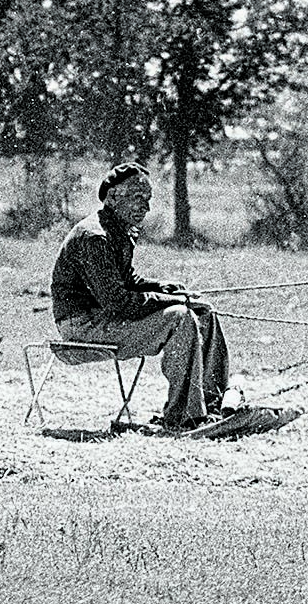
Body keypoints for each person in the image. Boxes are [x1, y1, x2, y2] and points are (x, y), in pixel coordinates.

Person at [49, 163, 232, 431]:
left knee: (204, 313)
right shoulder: (94, 237)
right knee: (180, 318)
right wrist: (176, 302)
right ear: (112, 198)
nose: (145, 208)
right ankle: (184, 417)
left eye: (147, 200)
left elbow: (128, 283)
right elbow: (119, 303)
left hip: (104, 319)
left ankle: (212, 404)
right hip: (83, 327)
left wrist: (167, 289)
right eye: (137, 199)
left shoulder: (118, 231)